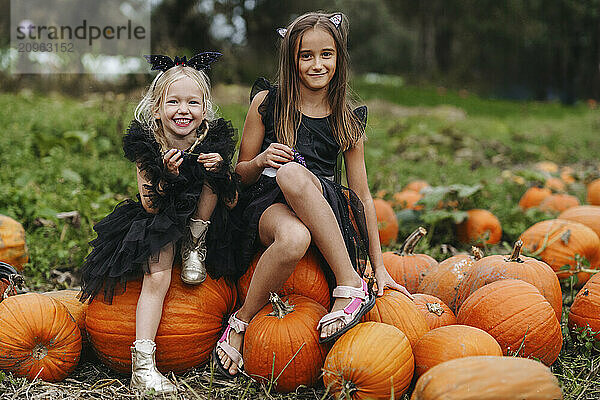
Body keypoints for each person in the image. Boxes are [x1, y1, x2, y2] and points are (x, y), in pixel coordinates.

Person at [213, 12, 412, 378]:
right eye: (306, 55)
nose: (317, 64)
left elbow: (363, 196)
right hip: (267, 203)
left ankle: (350, 281)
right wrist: (259, 160)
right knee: (293, 239)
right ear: (292, 59)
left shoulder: (345, 119)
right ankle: (241, 321)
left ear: (339, 58)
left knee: (294, 177)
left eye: (326, 54)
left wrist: (379, 265)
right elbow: (238, 174)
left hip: (321, 204)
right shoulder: (266, 103)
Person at [79, 53, 238, 394]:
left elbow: (232, 200)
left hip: (204, 223)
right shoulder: (147, 146)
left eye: (193, 102)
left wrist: (221, 169)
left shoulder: (213, 141)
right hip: (161, 220)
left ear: (205, 108)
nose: (184, 109)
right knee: (158, 275)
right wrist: (168, 174)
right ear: (156, 109)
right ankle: (143, 365)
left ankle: (195, 244)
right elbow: (151, 206)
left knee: (212, 176)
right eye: (174, 102)